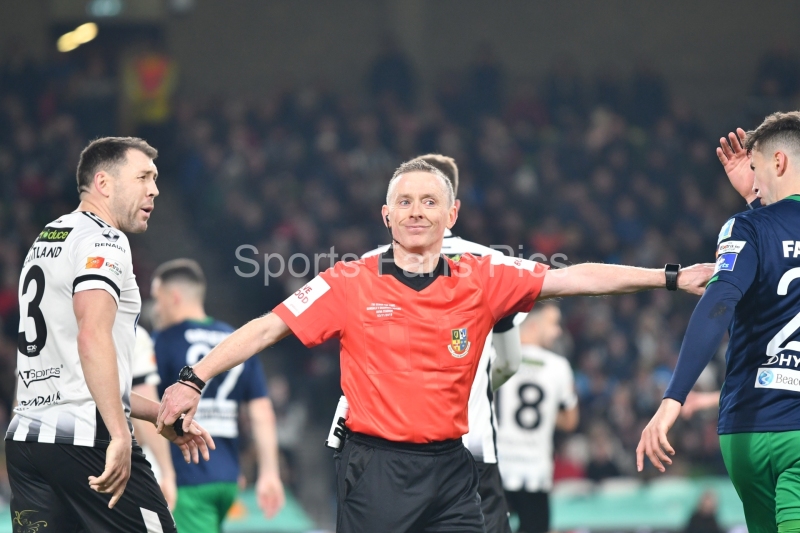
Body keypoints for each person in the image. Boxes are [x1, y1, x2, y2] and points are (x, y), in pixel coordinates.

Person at [158, 159, 712, 533]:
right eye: (405, 201)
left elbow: (576, 279)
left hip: (451, 467)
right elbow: (266, 328)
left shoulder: (483, 277)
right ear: (387, 214)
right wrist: (192, 378)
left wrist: (669, 277)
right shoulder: (348, 281)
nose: (416, 210)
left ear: (452, 216)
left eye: (430, 201)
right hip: (374, 468)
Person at [7, 137, 214, 532]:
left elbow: (77, 371)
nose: (154, 189)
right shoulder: (105, 239)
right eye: (143, 177)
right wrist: (119, 434)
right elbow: (91, 335)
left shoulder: (48, 237)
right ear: (103, 183)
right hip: (88, 439)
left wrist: (158, 414)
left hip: (28, 443)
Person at [637, 111, 800, 533]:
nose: (754, 181)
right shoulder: (755, 220)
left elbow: (718, 303)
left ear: (778, 163)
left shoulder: (746, 227)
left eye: (756, 168)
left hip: (744, 431)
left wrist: (672, 400)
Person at [349, 153, 524, 533]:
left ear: (449, 206)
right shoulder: (495, 265)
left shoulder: (369, 264)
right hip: (473, 440)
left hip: (387, 450)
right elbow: (510, 361)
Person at [150, 258, 285, 532]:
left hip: (186, 475)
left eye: (157, 298)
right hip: (228, 477)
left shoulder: (164, 341)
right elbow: (261, 412)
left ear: (173, 297)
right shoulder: (235, 341)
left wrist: (165, 472)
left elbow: (149, 405)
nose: (156, 308)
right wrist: (269, 472)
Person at [496, 303, 578, 533]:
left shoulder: (493, 356)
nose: (558, 331)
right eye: (553, 324)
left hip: (496, 468)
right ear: (532, 325)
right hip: (534, 471)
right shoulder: (558, 367)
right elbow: (570, 421)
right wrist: (547, 411)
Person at [130, 325, 178, 509]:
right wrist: (167, 473)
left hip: (44, 447)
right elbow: (145, 404)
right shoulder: (131, 329)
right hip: (113, 455)